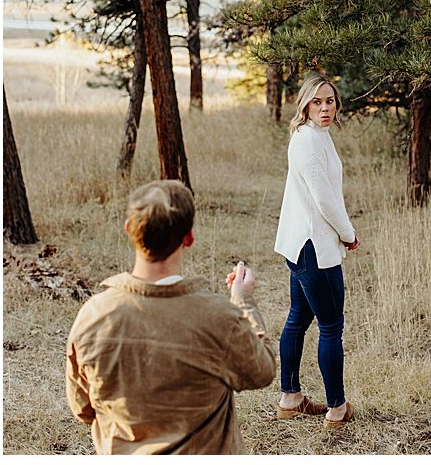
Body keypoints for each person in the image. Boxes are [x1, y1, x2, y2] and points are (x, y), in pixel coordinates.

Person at [65, 180, 276, 454]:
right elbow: (262, 372)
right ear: (188, 238)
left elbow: (82, 408)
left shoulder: (93, 316)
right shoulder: (218, 318)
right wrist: (243, 301)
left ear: (129, 230)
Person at [275, 74, 360, 428]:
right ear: (305, 105)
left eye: (330, 101)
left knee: (299, 317)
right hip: (312, 247)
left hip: (301, 243)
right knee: (330, 326)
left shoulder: (314, 136)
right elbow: (324, 199)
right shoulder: (308, 140)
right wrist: (348, 233)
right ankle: (337, 409)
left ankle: (290, 398)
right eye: (317, 102)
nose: (325, 108)